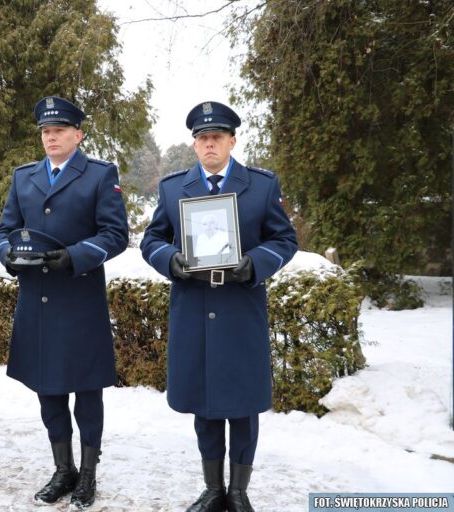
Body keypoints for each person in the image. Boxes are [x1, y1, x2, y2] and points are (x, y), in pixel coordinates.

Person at [140, 101, 297, 512]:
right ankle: (213, 489)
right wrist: (170, 260)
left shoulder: (261, 185)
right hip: (193, 308)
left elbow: (284, 240)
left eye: (217, 137)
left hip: (240, 309)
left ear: (232, 141)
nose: (209, 143)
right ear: (194, 145)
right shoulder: (174, 188)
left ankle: (239, 492)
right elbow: (151, 240)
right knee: (205, 404)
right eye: (203, 138)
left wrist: (255, 264)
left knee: (243, 405)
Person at [0, 96, 128, 509]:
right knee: (47, 391)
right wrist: (8, 256)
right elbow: (5, 230)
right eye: (45, 132)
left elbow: (115, 234)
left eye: (59, 130)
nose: (50, 137)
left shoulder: (100, 175)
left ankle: (87, 474)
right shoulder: (24, 177)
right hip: (37, 301)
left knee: (87, 393)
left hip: (79, 300)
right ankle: (62, 469)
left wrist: (74, 256)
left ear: (78, 135)